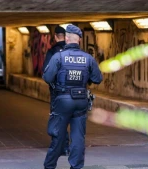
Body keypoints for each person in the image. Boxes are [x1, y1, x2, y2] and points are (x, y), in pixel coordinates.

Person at [42, 24, 103, 169]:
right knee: (78, 139)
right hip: (81, 100)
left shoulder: (59, 56)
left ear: (67, 38)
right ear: (79, 40)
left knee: (58, 136)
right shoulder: (88, 58)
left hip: (62, 101)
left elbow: (47, 77)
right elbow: (97, 79)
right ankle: (76, 167)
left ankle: (49, 166)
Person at [42, 25, 70, 156]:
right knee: (73, 120)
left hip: (58, 92)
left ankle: (60, 147)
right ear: (66, 37)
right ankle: (71, 147)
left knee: (57, 119)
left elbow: (46, 73)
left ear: (54, 37)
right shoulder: (74, 52)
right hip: (74, 93)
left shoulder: (52, 52)